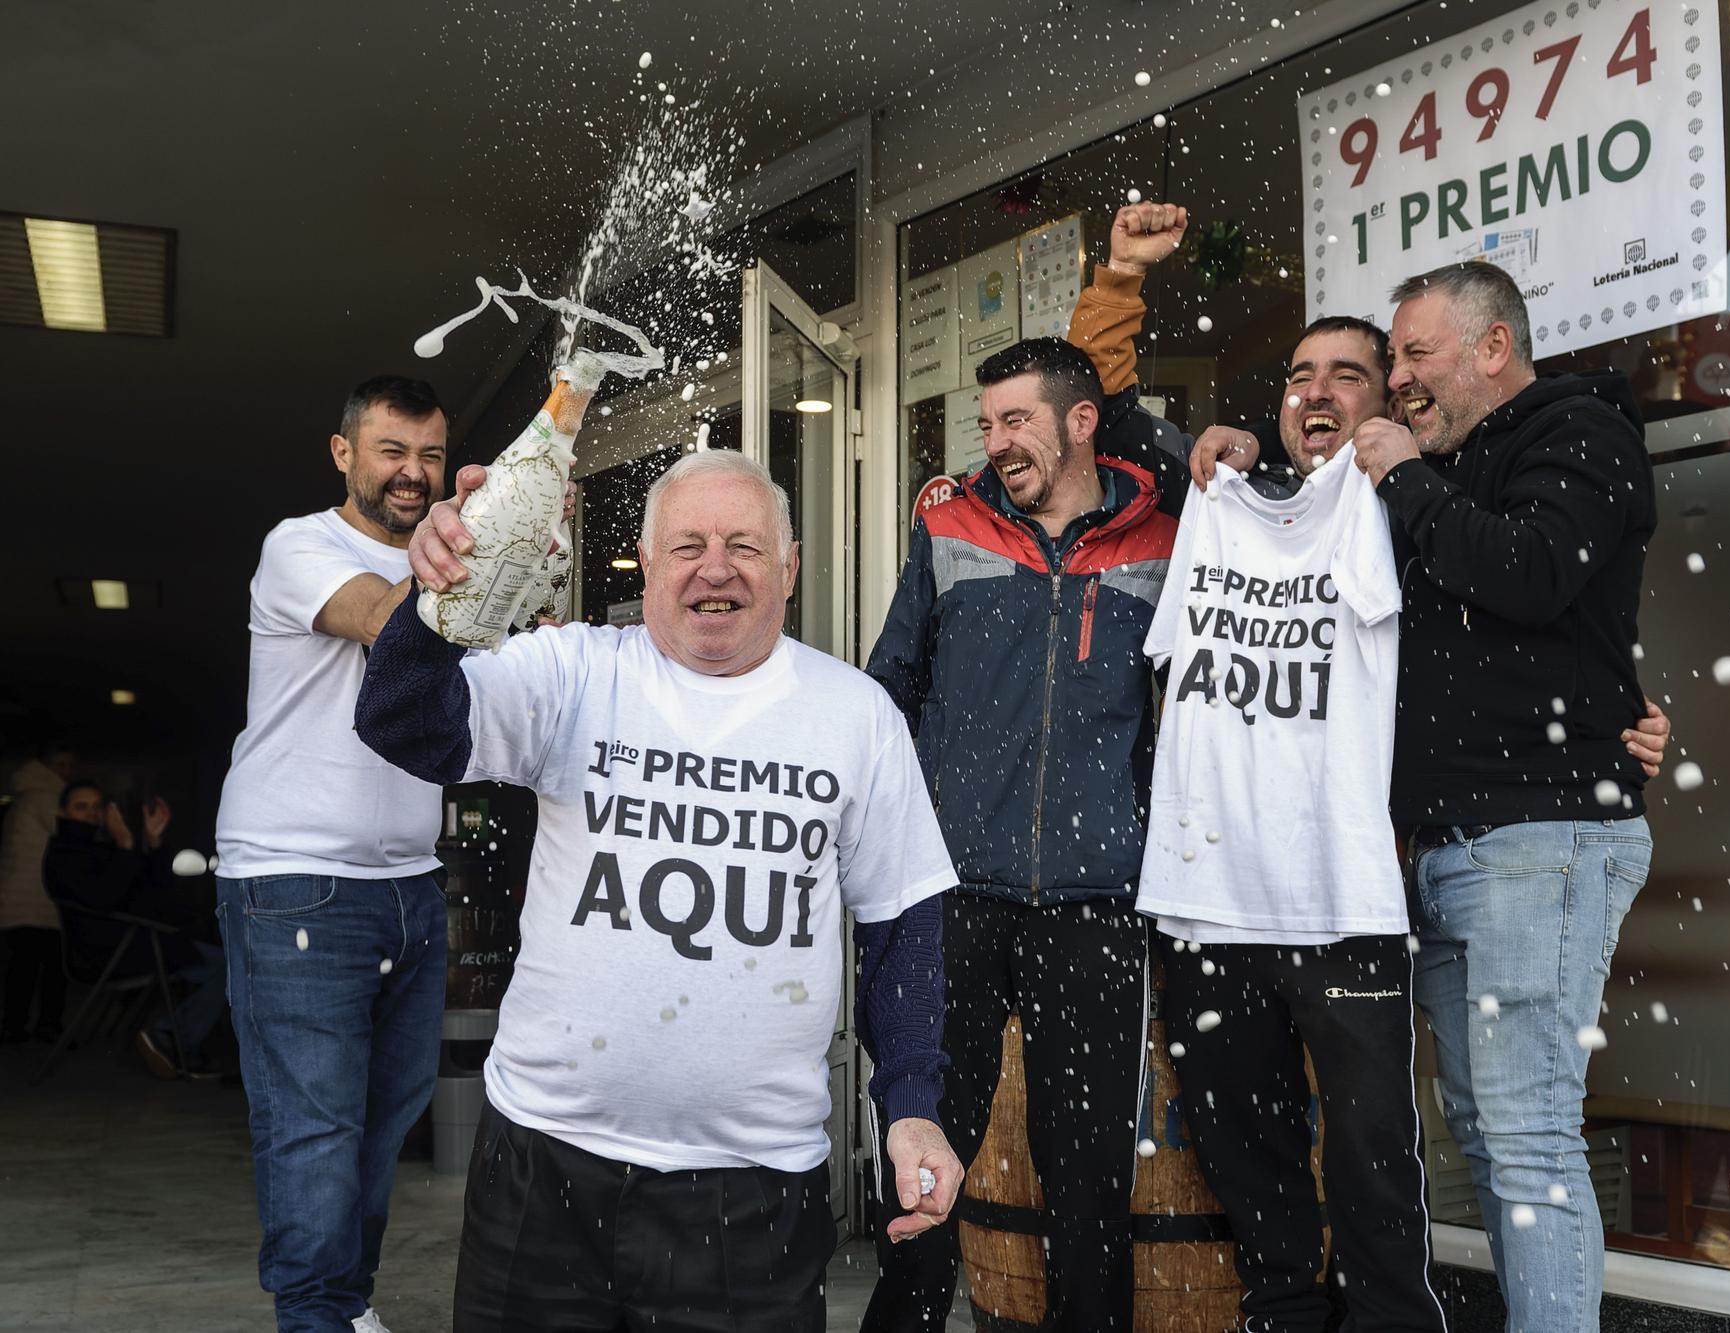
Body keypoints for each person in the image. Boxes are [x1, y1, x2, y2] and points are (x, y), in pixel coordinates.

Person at [1082, 213, 1668, 1333]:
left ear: (1486, 350)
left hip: (1474, 851)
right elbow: (1134, 421)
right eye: (1370, 367)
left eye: (1396, 361)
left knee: (1503, 1131)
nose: (1387, 385)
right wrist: (1137, 307)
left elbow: (1541, 578)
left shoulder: (1495, 461)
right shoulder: (1287, 486)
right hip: (1395, 861)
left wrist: (1616, 717)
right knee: (1483, 1131)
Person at [360, 448, 964, 1331]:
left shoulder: (856, 715)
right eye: (686, 545)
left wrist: (910, 1107)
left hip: (752, 1194)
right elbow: (401, 720)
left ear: (790, 567)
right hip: (541, 1166)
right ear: (645, 566)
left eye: (744, 546)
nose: (714, 568)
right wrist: (444, 600)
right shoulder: (572, 672)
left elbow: (901, 923)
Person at [862, 335, 1180, 1333]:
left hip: (1096, 902)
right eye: (985, 422)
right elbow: (886, 696)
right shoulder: (948, 527)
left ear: (1080, 422)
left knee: (1084, 1174)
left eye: (1015, 421)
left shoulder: (1166, 541)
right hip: (951, 896)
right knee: (923, 1161)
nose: (994, 441)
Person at [212, 374, 451, 1333]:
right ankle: (314, 1317)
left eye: (430, 455)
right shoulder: (299, 545)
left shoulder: (439, 558)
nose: (413, 473)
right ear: (344, 451)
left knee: (383, 1125)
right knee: (316, 1131)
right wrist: (486, 543)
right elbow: (388, 623)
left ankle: (345, 1308)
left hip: (411, 886)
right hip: (294, 881)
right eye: (392, 450)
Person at [41, 780, 229, 1078]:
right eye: (81, 807)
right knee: (224, 967)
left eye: (97, 807)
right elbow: (104, 899)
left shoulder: (103, 847)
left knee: (221, 960)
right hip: (108, 952)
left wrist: (154, 843)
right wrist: (127, 847)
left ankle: (173, 1039)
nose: (91, 813)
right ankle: (168, 1037)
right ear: (62, 812)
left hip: (138, 942)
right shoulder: (64, 854)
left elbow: (155, 898)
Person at [0, 739, 73, 1043]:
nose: (67, 771)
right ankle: (44, 1025)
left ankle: (16, 1026)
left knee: (25, 967)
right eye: (62, 765)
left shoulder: (26, 796)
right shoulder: (46, 798)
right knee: (50, 966)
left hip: (21, 900)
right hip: (36, 900)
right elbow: (68, 834)